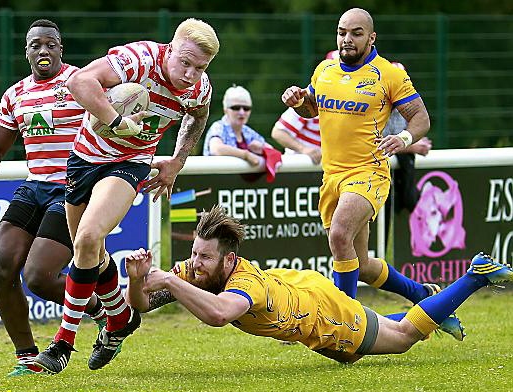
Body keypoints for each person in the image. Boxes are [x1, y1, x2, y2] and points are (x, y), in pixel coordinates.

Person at [34, 18, 220, 374]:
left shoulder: (198, 89)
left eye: (200, 67)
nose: (191, 74)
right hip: (84, 158)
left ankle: (63, 343)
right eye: (185, 62)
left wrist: (177, 162)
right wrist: (114, 119)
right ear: (170, 48)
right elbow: (79, 81)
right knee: (87, 250)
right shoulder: (140, 59)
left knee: (89, 237)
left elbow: (198, 116)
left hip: (130, 163)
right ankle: (120, 319)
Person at [124, 205, 513, 363]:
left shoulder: (245, 284)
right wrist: (139, 281)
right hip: (300, 289)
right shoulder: (197, 269)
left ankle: (473, 275)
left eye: (203, 257)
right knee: (352, 354)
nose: (194, 263)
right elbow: (141, 305)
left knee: (402, 338)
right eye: (194, 253)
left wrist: (171, 285)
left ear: (228, 259)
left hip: (321, 311)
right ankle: (436, 311)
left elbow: (220, 315)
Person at [0, 19, 107, 377]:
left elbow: (114, 120)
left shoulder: (80, 83)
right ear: (26, 51)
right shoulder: (16, 94)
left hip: (74, 185)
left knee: (40, 276)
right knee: (1, 268)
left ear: (61, 49)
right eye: (36, 45)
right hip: (35, 185)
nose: (43, 51)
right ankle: (26, 356)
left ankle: (104, 312)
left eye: (50, 45)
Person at [281, 8, 433, 301]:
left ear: (371, 38)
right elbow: (311, 109)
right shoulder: (324, 70)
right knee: (361, 265)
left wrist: (403, 138)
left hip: (368, 173)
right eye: (342, 32)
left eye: (356, 33)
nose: (347, 39)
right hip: (332, 176)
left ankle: (346, 324)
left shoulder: (389, 74)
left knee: (339, 235)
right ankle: (422, 294)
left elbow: (421, 118)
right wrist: (298, 101)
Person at [382, 62, 433, 242]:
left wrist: (412, 143)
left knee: (408, 199)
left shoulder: (409, 103)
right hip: (378, 165)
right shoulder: (379, 104)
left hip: (400, 160)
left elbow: (420, 125)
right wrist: (412, 146)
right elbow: (379, 142)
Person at [203, 85, 274, 168]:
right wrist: (246, 155)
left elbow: (272, 151)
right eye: (236, 108)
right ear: (225, 110)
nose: (242, 112)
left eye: (246, 108)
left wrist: (262, 149)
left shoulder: (247, 131)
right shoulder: (218, 127)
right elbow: (216, 149)